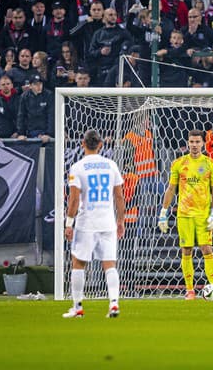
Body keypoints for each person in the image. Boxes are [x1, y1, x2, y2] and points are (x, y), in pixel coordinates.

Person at [63, 129, 125, 318]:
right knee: (110, 265)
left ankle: (78, 307)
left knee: (78, 263)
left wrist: (68, 223)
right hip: (107, 222)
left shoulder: (77, 167)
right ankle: (114, 303)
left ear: (83, 144)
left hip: (86, 223)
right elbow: (119, 196)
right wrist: (120, 220)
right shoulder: (111, 165)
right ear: (101, 145)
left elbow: (73, 200)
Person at [157, 129, 213, 300]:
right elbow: (171, 189)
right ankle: (190, 290)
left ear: (203, 143)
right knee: (186, 250)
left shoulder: (210, 164)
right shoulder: (178, 163)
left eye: (197, 142)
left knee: (207, 249)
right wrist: (163, 212)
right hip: (184, 214)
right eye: (191, 142)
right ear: (188, 143)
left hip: (203, 215)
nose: (194, 145)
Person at [17, 74, 54, 143]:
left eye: (40, 83)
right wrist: (21, 134)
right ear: (30, 86)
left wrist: (49, 134)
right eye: (35, 84)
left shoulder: (49, 95)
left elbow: (51, 115)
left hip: (45, 132)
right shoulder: (24, 97)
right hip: (30, 132)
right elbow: (21, 116)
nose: (39, 86)